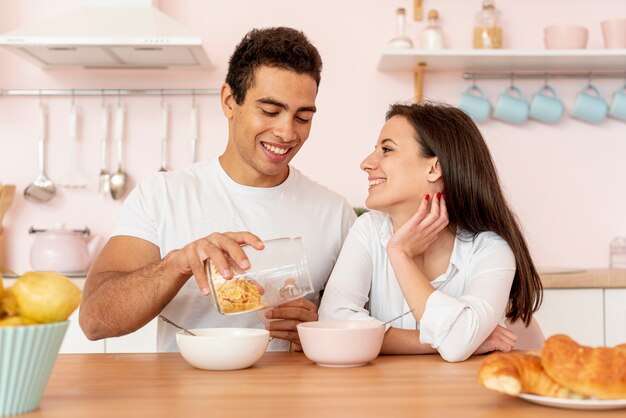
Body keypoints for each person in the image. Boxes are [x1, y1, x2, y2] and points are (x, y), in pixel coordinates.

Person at [80, 27, 356, 352]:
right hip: (184, 399)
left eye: (303, 117)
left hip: (290, 400)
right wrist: (178, 263)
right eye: (270, 111)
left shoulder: (335, 213)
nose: (286, 132)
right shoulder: (162, 196)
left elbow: (360, 325)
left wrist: (317, 326)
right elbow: (94, 320)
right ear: (229, 100)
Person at [318, 102, 543, 362]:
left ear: (434, 168)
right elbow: (334, 323)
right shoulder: (368, 230)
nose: (366, 164)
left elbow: (457, 345)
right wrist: (440, 340)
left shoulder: (490, 250)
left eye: (386, 150)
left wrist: (400, 254)